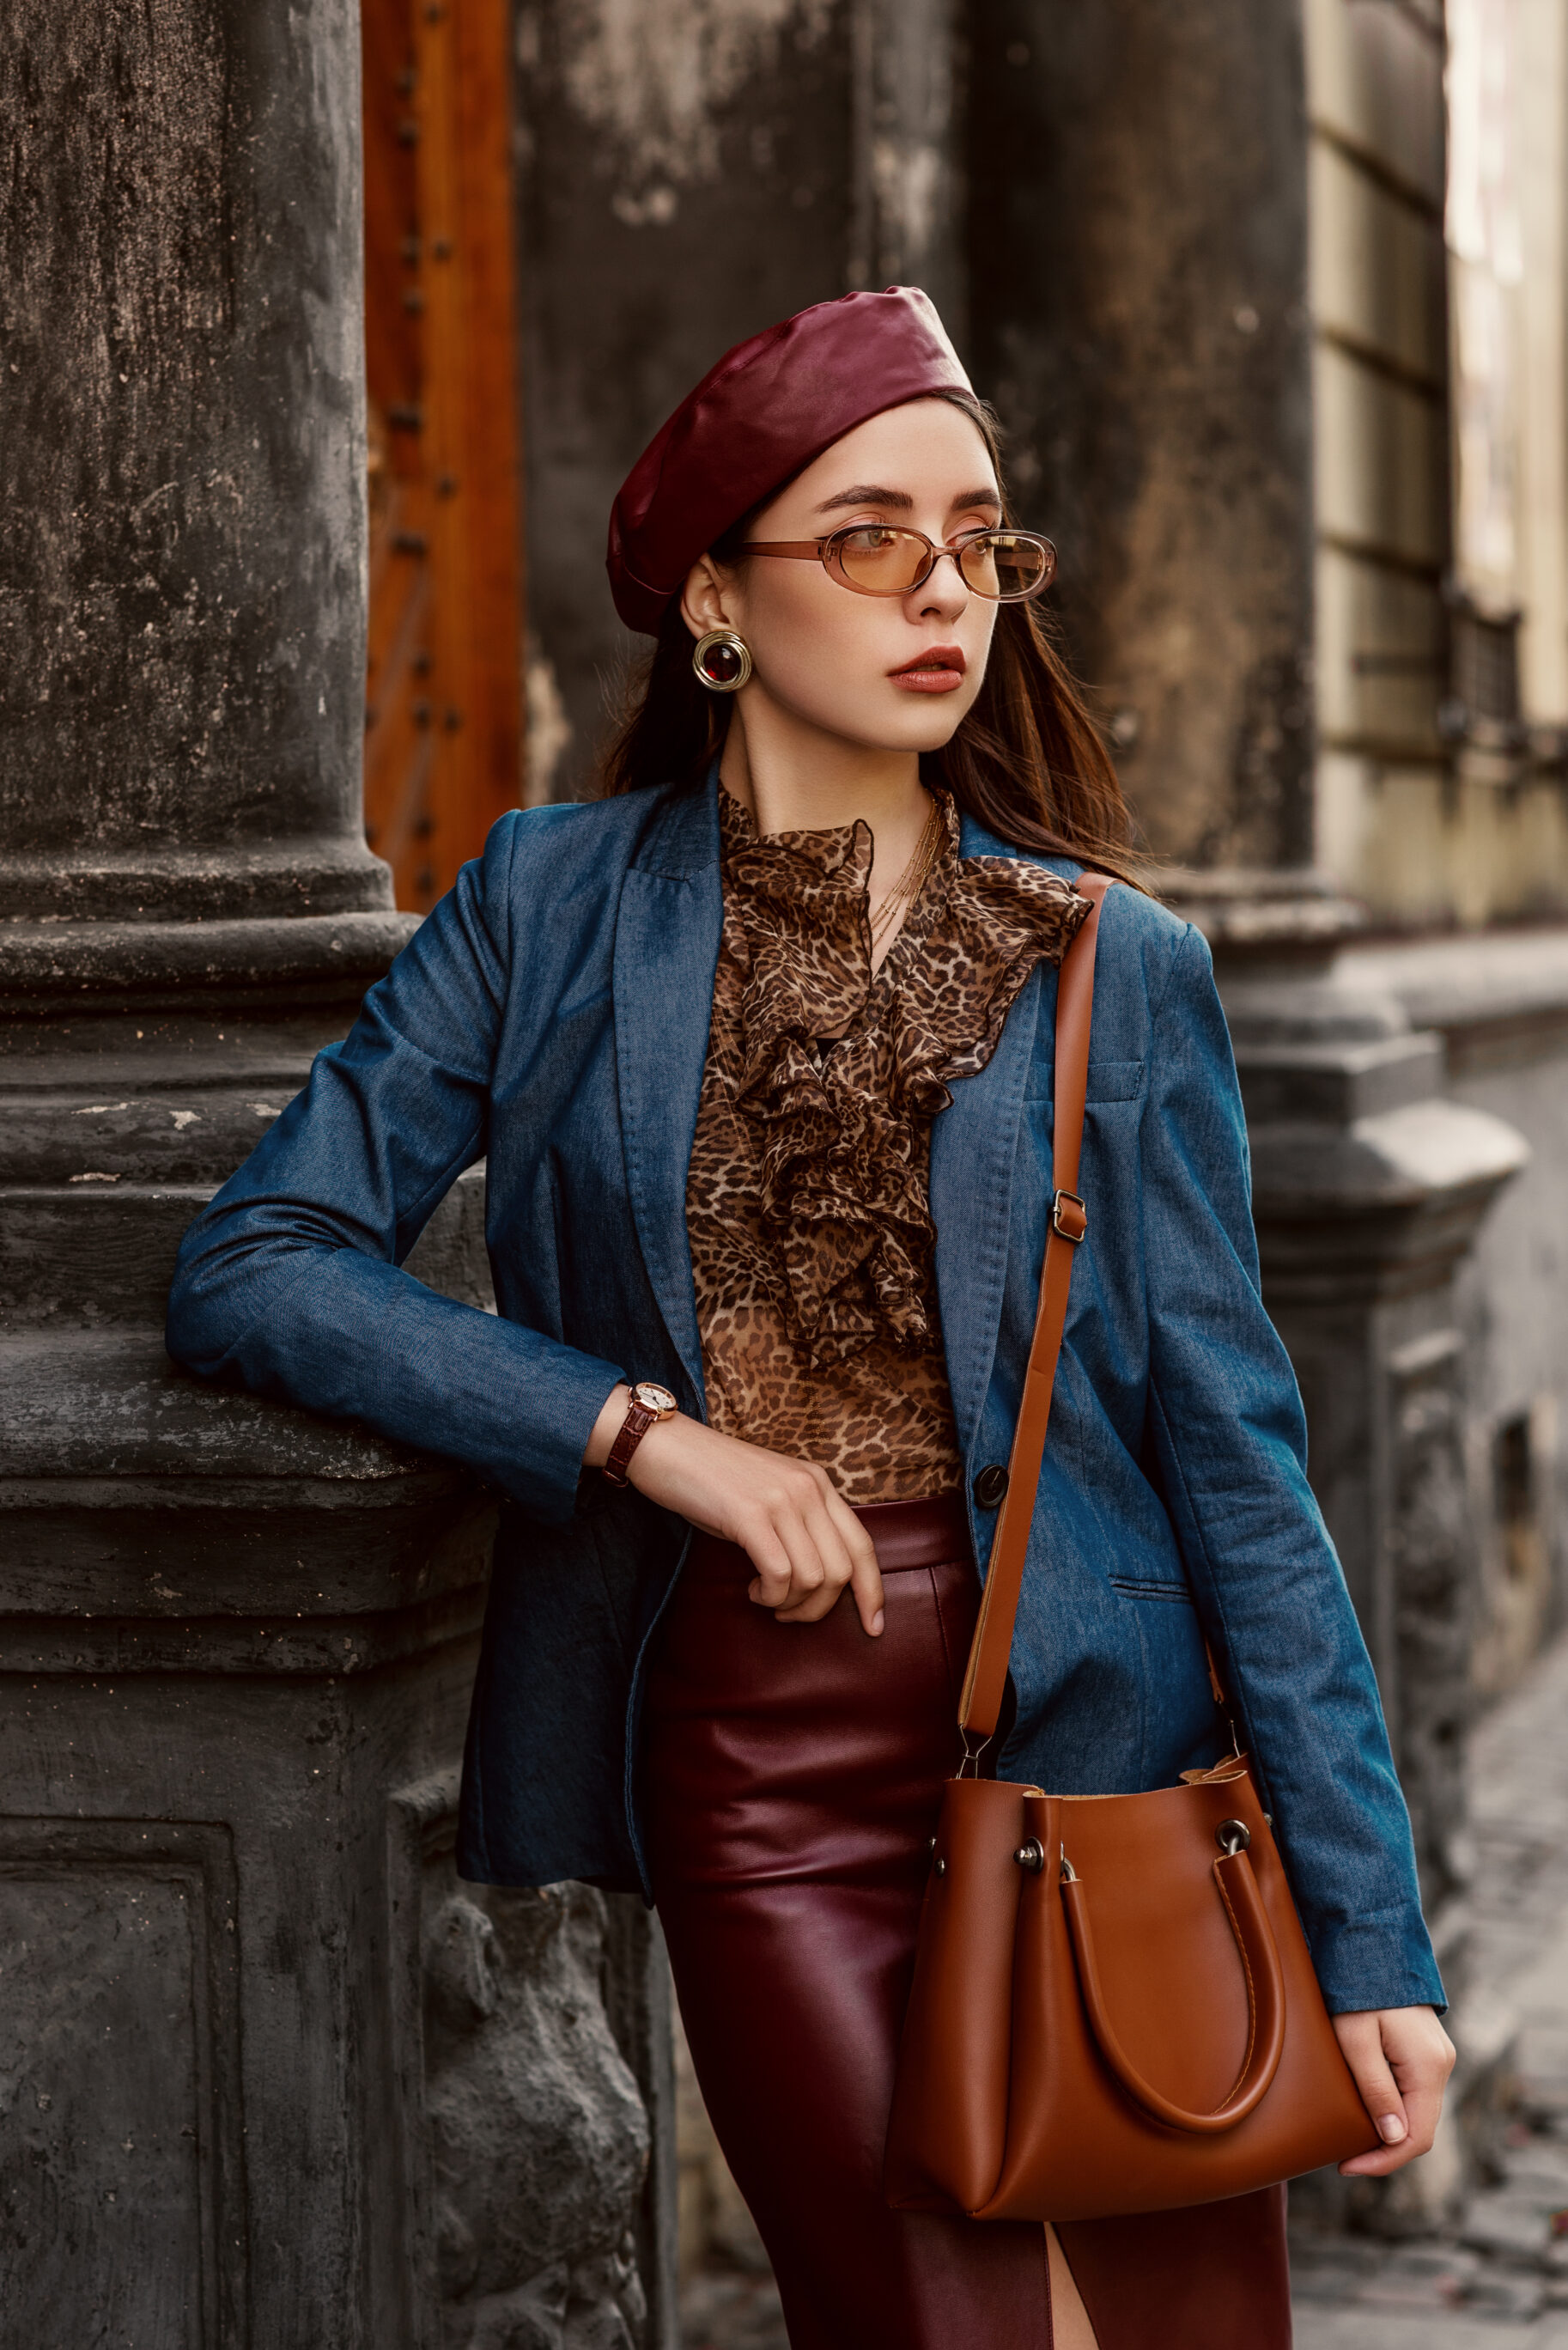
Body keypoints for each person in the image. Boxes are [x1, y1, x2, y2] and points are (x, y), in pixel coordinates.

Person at [167, 287, 1455, 2348]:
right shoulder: (550, 907)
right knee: (938, 2327)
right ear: (717, 598)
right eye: (869, 537)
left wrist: (1370, 1938)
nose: (943, 589)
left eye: (978, 540)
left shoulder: (1113, 966)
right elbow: (256, 1262)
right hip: (759, 1766)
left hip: (1097, 1761)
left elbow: (1239, 1462)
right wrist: (636, 1433)